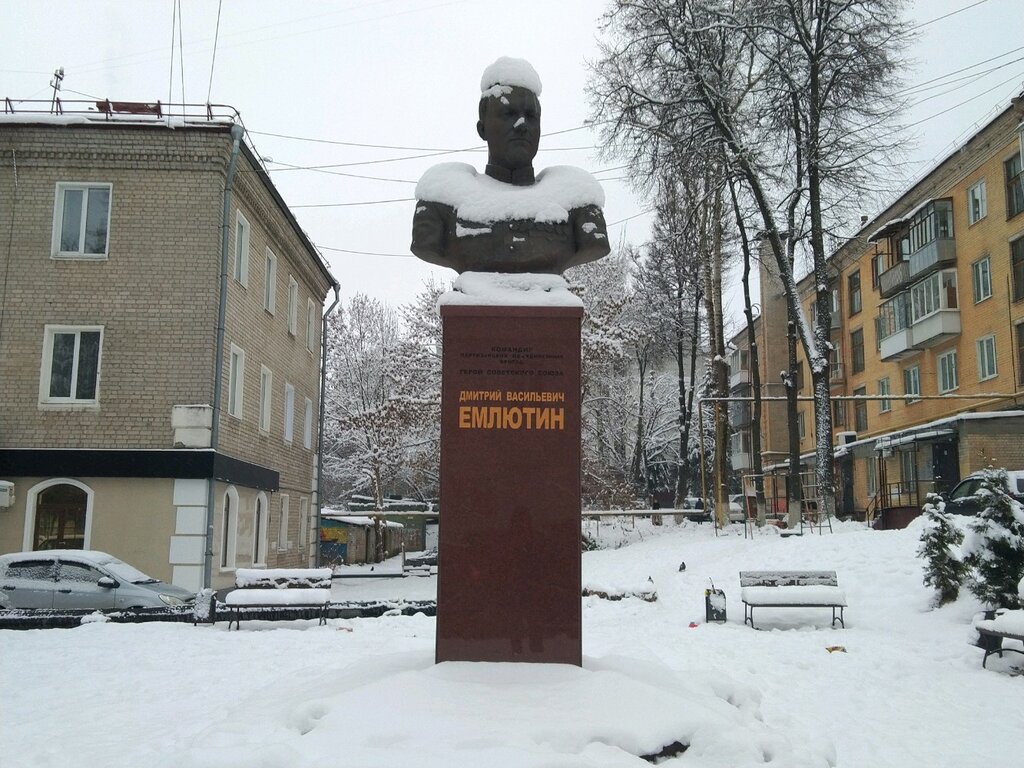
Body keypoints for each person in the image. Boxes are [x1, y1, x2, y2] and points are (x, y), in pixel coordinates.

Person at [410, 57, 610, 274]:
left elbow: (594, 245)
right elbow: (426, 244)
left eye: (531, 116)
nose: (522, 125)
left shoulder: (578, 201)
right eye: (508, 114)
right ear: (482, 129)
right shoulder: (441, 200)